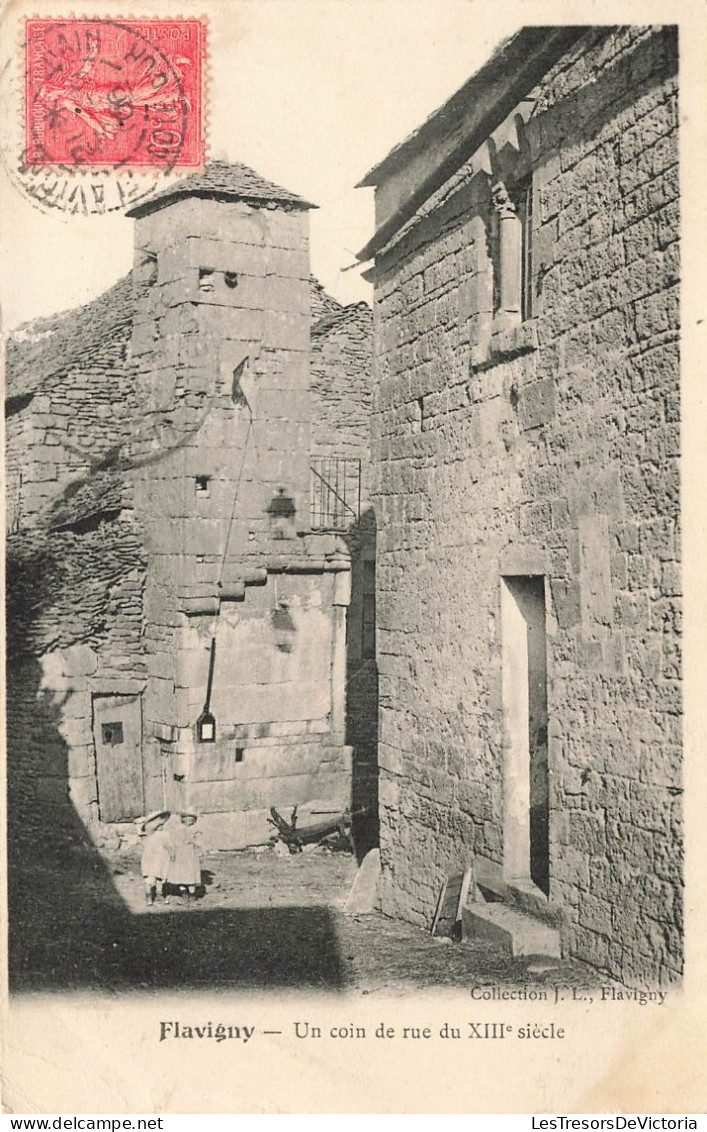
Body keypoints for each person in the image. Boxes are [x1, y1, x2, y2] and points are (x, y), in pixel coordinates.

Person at [167, 812, 202, 903]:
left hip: (190, 855)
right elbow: (172, 841)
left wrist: (193, 841)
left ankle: (192, 893)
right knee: (180, 873)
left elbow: (199, 843)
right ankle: (183, 892)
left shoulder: (195, 830)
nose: (189, 821)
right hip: (180, 854)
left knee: (190, 873)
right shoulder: (178, 829)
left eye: (191, 819)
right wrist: (172, 852)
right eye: (187, 819)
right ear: (182, 819)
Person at [140, 811, 173, 907]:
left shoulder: (162, 835)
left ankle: (155, 895)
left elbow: (168, 845)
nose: (161, 826)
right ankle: (151, 895)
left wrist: (171, 853)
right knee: (152, 877)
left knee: (156, 877)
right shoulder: (151, 834)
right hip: (153, 858)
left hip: (158, 858)